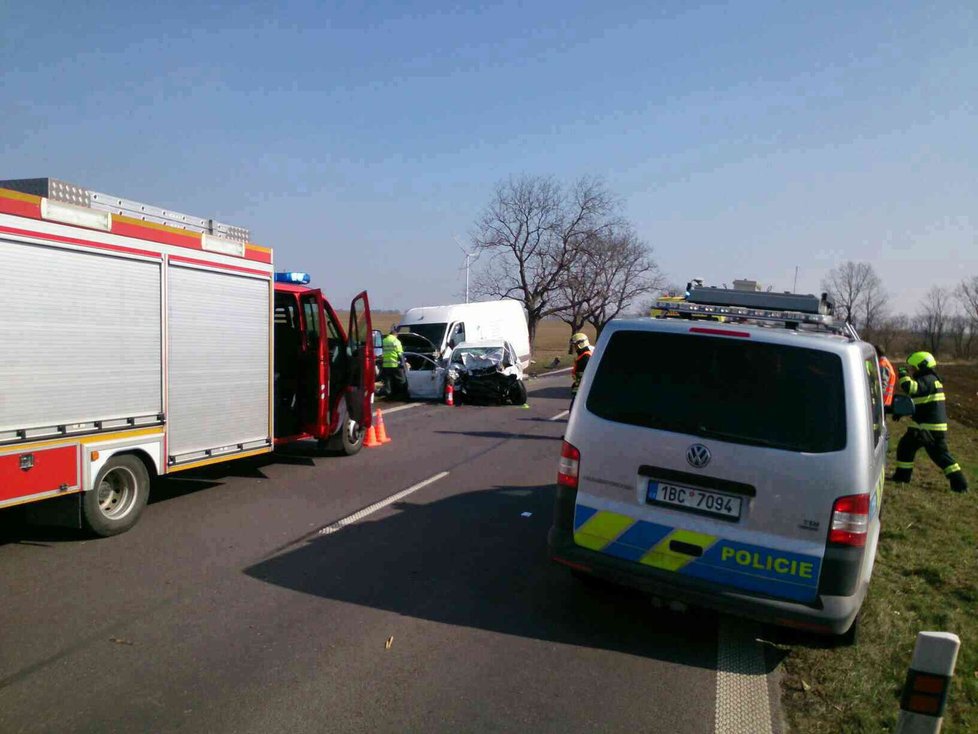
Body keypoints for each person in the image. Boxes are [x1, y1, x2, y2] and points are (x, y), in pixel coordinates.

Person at [892, 351, 968, 492]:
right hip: (923, 426)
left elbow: (910, 388)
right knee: (906, 447)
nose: (912, 370)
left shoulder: (928, 380)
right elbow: (919, 403)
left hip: (929, 429)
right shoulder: (930, 380)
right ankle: (902, 476)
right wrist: (901, 411)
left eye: (914, 367)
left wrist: (902, 373)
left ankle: (960, 484)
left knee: (941, 456)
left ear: (922, 366)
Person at [380, 328, 407, 399]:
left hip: (386, 365)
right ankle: (402, 395)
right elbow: (400, 354)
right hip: (395, 364)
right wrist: (403, 362)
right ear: (396, 335)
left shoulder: (384, 340)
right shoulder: (396, 341)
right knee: (401, 380)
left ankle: (388, 394)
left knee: (388, 380)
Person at [570, 333, 593, 404]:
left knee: (575, 411)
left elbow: (582, 377)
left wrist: (576, 387)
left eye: (575, 345)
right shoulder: (585, 354)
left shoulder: (585, 358)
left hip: (582, 391)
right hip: (584, 390)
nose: (574, 347)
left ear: (580, 344)